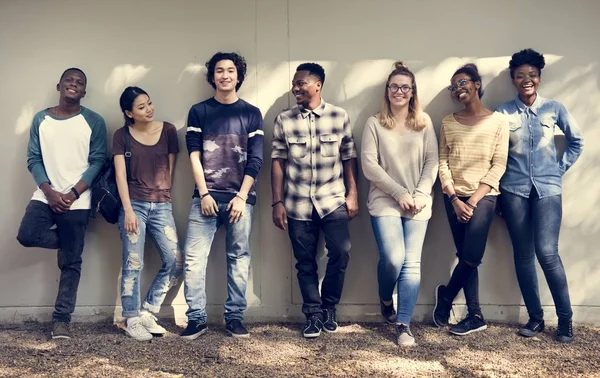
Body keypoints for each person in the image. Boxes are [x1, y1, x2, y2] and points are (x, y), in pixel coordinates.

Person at [496, 49, 583, 343]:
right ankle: (535, 318)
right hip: (513, 190)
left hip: (548, 190)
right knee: (523, 255)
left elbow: (577, 141)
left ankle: (566, 319)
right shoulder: (503, 112)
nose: (526, 80)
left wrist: (558, 170)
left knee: (547, 253)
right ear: (513, 80)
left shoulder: (554, 109)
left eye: (532, 75)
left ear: (540, 78)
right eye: (520, 75)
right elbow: (493, 152)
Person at [16, 68, 107, 339]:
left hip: (78, 200)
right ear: (59, 85)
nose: (74, 84)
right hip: (46, 196)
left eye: (80, 82)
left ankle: (61, 320)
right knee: (27, 234)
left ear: (84, 92)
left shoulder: (94, 121)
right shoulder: (41, 119)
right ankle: (69, 243)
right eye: (69, 80)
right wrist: (51, 192)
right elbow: (33, 159)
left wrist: (74, 193)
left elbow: (99, 160)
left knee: (71, 263)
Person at [271, 62, 359, 338]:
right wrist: (277, 202)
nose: (295, 88)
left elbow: (348, 157)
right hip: (297, 203)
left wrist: (353, 193)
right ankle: (313, 313)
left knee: (341, 252)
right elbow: (278, 162)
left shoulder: (338, 115)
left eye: (301, 83)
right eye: (294, 84)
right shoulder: (284, 119)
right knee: (305, 262)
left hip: (333, 200)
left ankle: (329, 307)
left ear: (317, 85)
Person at [181, 52, 264, 339]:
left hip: (241, 199)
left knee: (238, 257)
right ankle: (196, 318)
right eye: (219, 70)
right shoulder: (199, 111)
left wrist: (241, 197)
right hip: (205, 197)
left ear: (238, 75)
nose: (225, 75)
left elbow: (255, 159)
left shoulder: (251, 113)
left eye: (230, 70)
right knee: (193, 258)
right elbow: (193, 155)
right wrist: (203, 193)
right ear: (212, 76)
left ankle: (234, 317)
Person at [361, 62, 438, 346]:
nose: (399, 91)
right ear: (387, 90)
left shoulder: (425, 122)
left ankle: (403, 324)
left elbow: (432, 161)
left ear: (412, 91)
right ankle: (385, 297)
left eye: (405, 87)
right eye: (394, 86)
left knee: (411, 264)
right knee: (394, 258)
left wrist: (419, 194)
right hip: (385, 200)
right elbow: (369, 165)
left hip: (419, 201)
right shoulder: (375, 123)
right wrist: (398, 193)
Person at [433, 63, 509, 336]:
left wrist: (473, 201)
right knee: (466, 254)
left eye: (462, 82)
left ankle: (445, 298)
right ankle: (475, 314)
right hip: (453, 197)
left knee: (471, 256)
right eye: (453, 87)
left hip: (485, 196)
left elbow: (499, 164)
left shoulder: (499, 122)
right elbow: (442, 163)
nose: (458, 89)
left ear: (477, 84)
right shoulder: (448, 122)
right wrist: (454, 198)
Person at [113, 86, 182, 341]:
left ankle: (147, 311)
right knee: (133, 263)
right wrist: (128, 210)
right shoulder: (122, 136)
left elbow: (170, 168)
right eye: (141, 107)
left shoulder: (168, 131)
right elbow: (120, 174)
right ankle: (131, 317)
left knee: (175, 261)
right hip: (134, 206)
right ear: (129, 113)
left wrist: (163, 194)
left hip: (162, 205)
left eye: (149, 103)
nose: (149, 109)